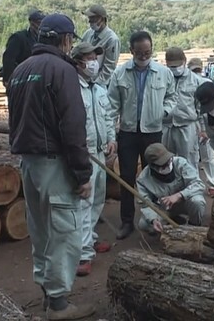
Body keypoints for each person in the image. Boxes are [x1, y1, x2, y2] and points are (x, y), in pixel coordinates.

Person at [7, 14, 95, 320]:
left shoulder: (20, 70)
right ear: (66, 40)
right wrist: (83, 173)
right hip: (54, 164)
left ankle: (48, 294)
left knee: (42, 231)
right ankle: (59, 305)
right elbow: (73, 125)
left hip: (29, 164)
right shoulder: (62, 69)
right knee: (63, 233)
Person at [107, 31, 176, 240]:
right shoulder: (120, 74)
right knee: (127, 177)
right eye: (140, 53)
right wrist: (111, 134)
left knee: (154, 176)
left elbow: (172, 98)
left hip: (152, 132)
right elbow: (111, 107)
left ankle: (153, 218)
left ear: (152, 49)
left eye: (148, 52)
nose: (144, 56)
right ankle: (127, 221)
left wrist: (164, 112)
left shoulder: (163, 73)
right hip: (127, 132)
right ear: (132, 51)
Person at [69, 42, 117, 277]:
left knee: (97, 199)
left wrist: (111, 139)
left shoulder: (98, 89)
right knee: (83, 204)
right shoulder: (71, 89)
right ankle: (83, 253)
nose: (93, 62)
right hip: (84, 154)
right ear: (77, 62)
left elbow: (107, 116)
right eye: (88, 58)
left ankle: (91, 239)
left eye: (95, 58)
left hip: (100, 151)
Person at [136, 143, 206, 234]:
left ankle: (194, 227)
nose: (168, 164)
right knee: (144, 224)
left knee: (197, 202)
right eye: (163, 164)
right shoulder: (143, 179)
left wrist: (179, 195)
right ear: (152, 166)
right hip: (163, 208)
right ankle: (168, 222)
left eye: (168, 160)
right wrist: (153, 219)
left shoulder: (181, 163)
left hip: (184, 202)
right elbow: (145, 204)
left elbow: (198, 184)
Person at [162, 47, 204, 169]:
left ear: (184, 61)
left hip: (187, 126)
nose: (175, 69)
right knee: (165, 162)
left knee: (189, 162)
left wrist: (203, 129)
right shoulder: (162, 78)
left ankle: (192, 187)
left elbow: (200, 107)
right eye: (172, 66)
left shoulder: (196, 81)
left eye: (177, 65)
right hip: (166, 126)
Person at [187, 58, 214, 195]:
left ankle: (195, 185)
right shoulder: (209, 82)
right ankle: (212, 185)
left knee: (193, 156)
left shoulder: (188, 82)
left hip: (196, 123)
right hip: (206, 122)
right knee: (207, 156)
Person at [80, 5, 121, 88]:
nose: (90, 21)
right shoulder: (88, 33)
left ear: (102, 19)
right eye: (89, 18)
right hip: (84, 79)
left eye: (93, 19)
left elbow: (109, 68)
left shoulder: (112, 39)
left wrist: (96, 84)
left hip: (100, 85)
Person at [1, 10, 45, 88]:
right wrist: (8, 80)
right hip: (19, 79)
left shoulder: (42, 39)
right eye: (39, 22)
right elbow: (8, 59)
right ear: (32, 23)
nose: (41, 25)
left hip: (37, 80)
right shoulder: (19, 37)